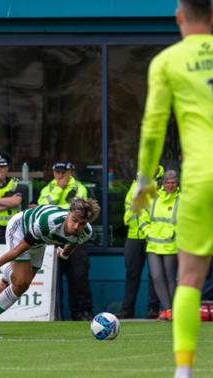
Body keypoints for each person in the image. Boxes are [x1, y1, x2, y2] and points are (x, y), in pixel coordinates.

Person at [132, 1, 213, 376]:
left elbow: (152, 128)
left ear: (180, 17)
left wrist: (145, 181)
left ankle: (184, 371)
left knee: (190, 279)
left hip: (199, 177)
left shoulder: (167, 61)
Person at [0, 198, 100, 338]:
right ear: (68, 214)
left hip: (39, 241)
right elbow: (19, 249)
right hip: (21, 228)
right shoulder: (48, 223)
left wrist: (64, 254)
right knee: (21, 282)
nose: (76, 226)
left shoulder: (85, 232)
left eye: (81, 223)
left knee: (22, 283)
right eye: (74, 220)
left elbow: (74, 241)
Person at [39, 162, 93, 320]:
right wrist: (59, 189)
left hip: (75, 235)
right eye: (57, 172)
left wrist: (57, 203)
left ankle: (82, 312)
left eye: (64, 172)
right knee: (54, 277)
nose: (60, 175)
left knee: (78, 275)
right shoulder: (47, 189)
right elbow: (44, 207)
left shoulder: (79, 188)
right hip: (53, 236)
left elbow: (77, 212)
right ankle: (56, 313)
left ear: (70, 172)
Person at [118, 165, 164, 320]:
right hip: (133, 235)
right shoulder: (136, 183)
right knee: (132, 274)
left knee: (155, 275)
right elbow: (129, 207)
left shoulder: (162, 183)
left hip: (153, 236)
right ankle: (126, 310)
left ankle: (153, 310)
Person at [142, 170, 180, 321]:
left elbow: (184, 220)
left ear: (177, 183)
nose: (170, 185)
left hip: (170, 244)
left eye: (173, 182)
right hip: (153, 243)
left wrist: (173, 232)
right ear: (163, 183)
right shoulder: (154, 198)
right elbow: (143, 216)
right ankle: (168, 310)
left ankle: (173, 311)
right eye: (168, 182)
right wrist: (147, 231)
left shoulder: (181, 199)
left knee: (170, 278)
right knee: (156, 276)